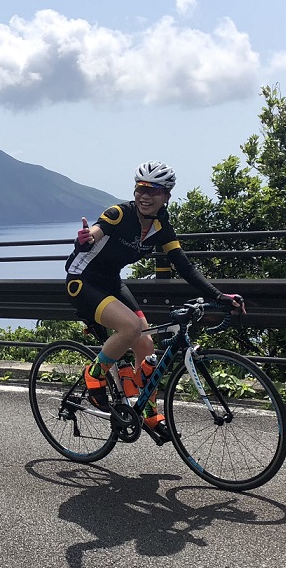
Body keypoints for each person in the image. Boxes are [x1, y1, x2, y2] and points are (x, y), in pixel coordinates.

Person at [66, 160, 245, 438]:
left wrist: (219, 295)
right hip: (82, 281)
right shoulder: (119, 214)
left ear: (166, 196)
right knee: (130, 327)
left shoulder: (161, 226)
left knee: (146, 344)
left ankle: (147, 412)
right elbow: (96, 231)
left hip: (111, 282)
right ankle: (95, 373)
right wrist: (86, 238)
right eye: (141, 188)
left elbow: (184, 266)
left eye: (154, 190)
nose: (145, 196)